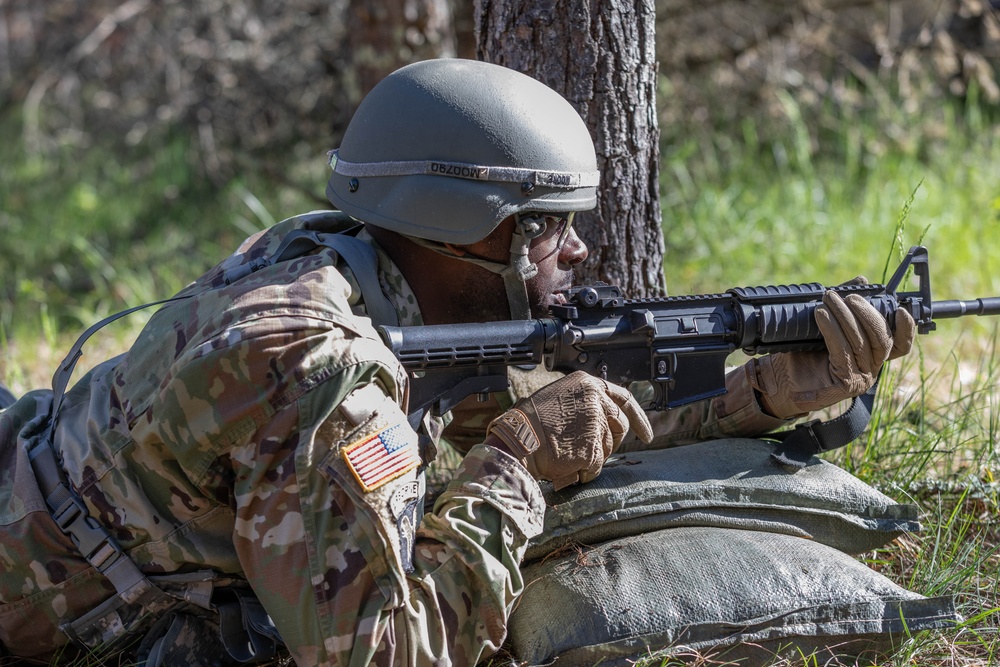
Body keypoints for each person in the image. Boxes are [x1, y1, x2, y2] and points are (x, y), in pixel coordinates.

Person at [0, 58, 915, 666]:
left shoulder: (353, 266)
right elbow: (386, 651)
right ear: (461, 228)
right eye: (548, 225)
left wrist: (760, 393)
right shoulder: (322, 367)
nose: (578, 251)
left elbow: (560, 412)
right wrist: (514, 466)